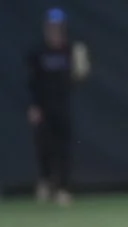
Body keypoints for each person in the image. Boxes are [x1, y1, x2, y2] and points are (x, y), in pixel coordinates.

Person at [24, 8, 88, 207]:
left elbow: (78, 76)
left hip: (62, 108)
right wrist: (34, 106)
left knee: (64, 149)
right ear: (46, 29)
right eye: (51, 27)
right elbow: (33, 81)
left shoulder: (71, 51)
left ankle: (63, 189)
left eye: (58, 28)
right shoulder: (38, 52)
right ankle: (45, 183)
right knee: (44, 148)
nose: (55, 31)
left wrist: (81, 68)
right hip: (43, 108)